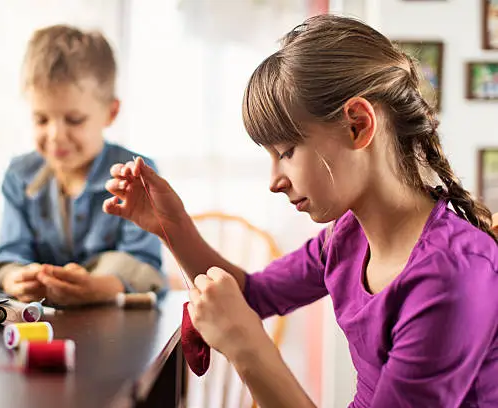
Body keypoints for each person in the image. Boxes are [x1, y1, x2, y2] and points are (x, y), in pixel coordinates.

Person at [102, 15, 498, 408]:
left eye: (287, 152)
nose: (275, 180)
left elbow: (244, 317)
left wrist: (250, 350)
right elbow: (252, 296)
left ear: (358, 125)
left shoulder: (453, 274)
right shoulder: (346, 237)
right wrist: (172, 225)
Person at [0, 25, 166, 305]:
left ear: (111, 113)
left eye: (74, 120)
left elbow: (144, 264)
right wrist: (18, 278)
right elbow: (10, 255)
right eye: (41, 119)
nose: (55, 136)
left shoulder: (135, 176)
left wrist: (102, 286)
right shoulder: (19, 176)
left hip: (113, 328)